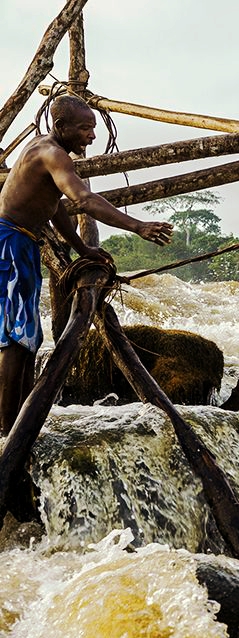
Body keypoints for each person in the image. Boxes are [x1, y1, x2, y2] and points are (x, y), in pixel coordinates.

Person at [0, 94, 172, 436]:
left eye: (92, 128)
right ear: (60, 127)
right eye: (85, 128)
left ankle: (19, 422)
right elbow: (83, 199)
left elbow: (56, 206)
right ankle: (8, 432)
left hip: (22, 243)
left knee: (27, 337)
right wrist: (137, 226)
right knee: (16, 337)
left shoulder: (46, 151)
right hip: (10, 244)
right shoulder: (52, 153)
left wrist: (80, 248)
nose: (92, 136)